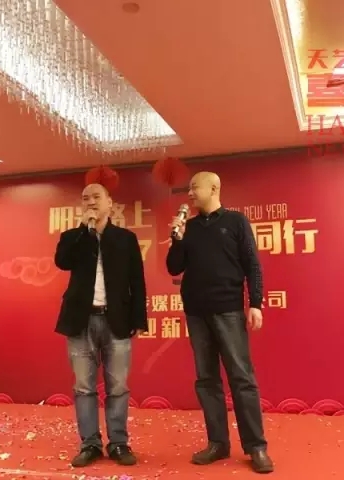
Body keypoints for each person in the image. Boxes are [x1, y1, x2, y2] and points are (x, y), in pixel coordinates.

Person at [166, 172, 274, 474]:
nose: (189, 193)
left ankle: (256, 446)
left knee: (242, 378)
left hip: (228, 310)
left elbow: (252, 264)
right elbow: (174, 267)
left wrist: (255, 303)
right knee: (206, 380)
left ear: (214, 188)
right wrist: (177, 239)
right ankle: (218, 443)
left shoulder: (236, 221)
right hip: (196, 313)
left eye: (194, 187)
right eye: (188, 188)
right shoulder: (190, 227)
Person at [54, 183, 147, 468]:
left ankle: (118, 442)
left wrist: (139, 319)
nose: (91, 202)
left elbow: (137, 281)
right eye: (85, 198)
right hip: (80, 322)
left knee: (118, 386)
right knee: (84, 387)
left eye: (97, 197)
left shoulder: (125, 239)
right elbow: (62, 262)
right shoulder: (73, 236)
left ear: (109, 202)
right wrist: (84, 230)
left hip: (116, 320)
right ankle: (90, 444)